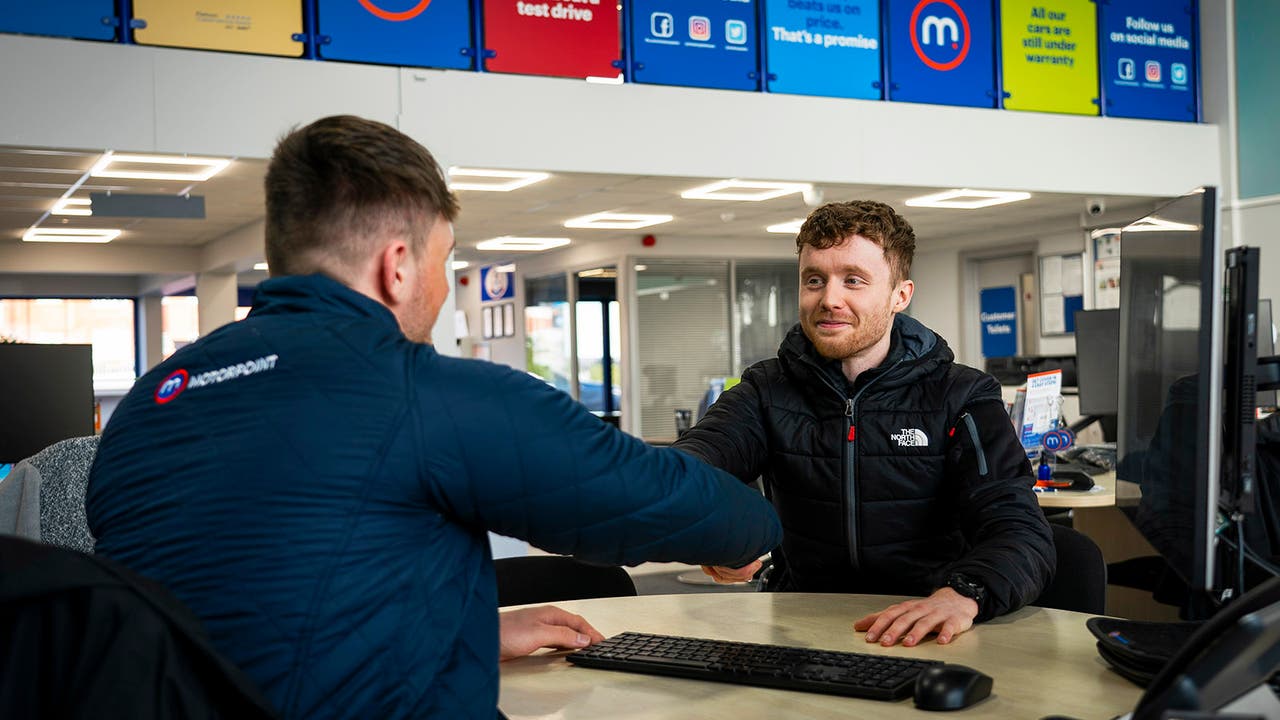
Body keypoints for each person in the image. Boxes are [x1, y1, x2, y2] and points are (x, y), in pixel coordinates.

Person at [85, 115, 781, 720]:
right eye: (444, 263)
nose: (444, 289)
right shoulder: (427, 396)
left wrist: (469, 629)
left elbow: (267, 602)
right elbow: (649, 497)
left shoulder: (150, 405)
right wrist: (757, 528)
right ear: (396, 265)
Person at [673, 200, 1054, 649]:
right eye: (814, 280)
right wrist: (709, 529)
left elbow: (1020, 529)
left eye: (853, 280)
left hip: (927, 630)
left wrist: (964, 595)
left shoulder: (961, 396)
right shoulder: (767, 389)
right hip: (800, 630)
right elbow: (694, 463)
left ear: (901, 295)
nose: (830, 298)